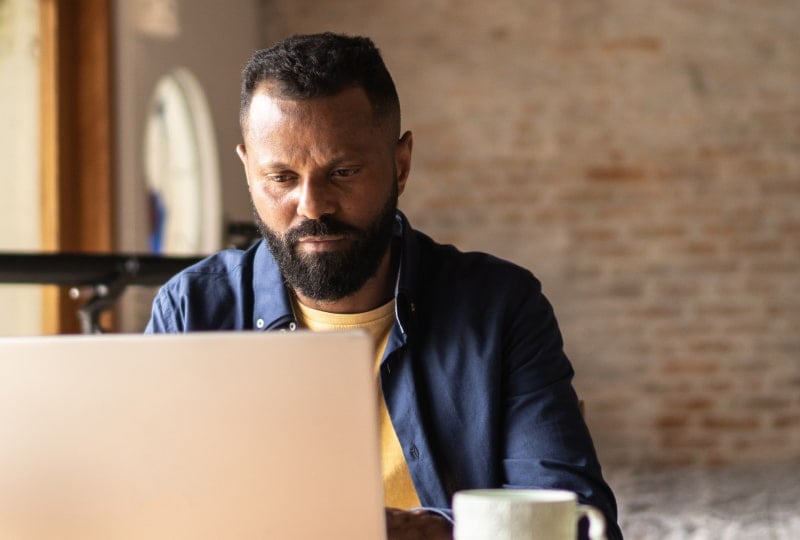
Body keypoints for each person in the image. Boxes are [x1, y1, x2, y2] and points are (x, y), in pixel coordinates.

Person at [146, 32, 623, 540]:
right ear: (247, 169)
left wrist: (420, 533)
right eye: (281, 178)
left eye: (344, 171)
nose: (312, 206)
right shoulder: (190, 310)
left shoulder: (500, 308)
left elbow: (574, 524)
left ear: (400, 164)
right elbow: (149, 509)